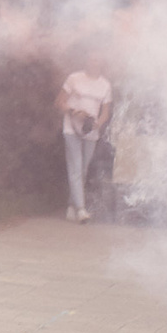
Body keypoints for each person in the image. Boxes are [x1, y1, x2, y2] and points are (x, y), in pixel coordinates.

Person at [59, 59, 112, 222]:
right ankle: (81, 210)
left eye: (98, 60)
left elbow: (105, 112)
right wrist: (74, 111)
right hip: (71, 128)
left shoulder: (105, 85)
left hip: (90, 132)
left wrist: (98, 123)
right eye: (91, 59)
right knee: (75, 168)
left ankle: (72, 205)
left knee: (82, 169)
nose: (94, 63)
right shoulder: (74, 78)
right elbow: (60, 101)